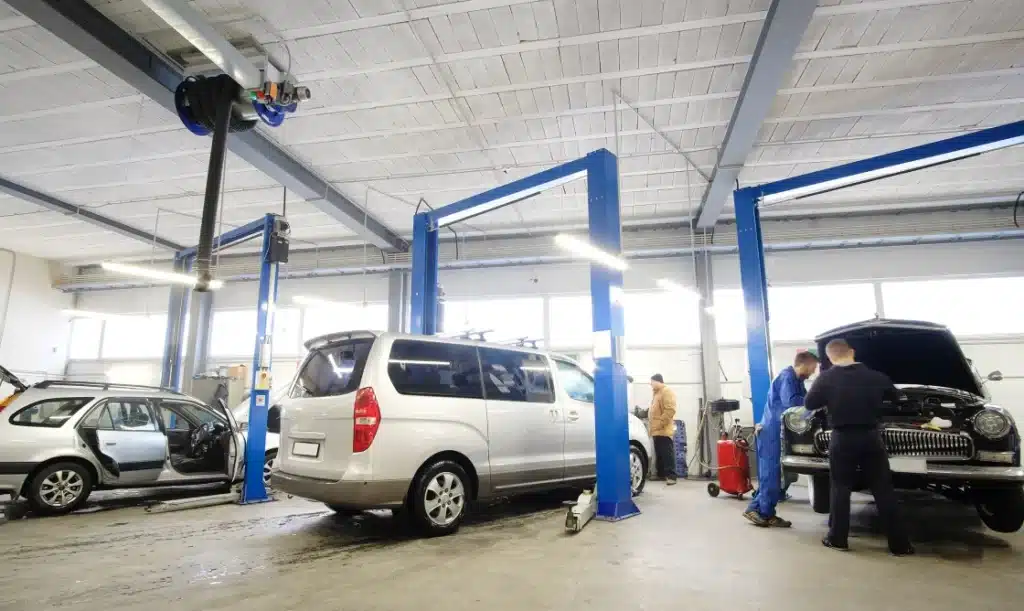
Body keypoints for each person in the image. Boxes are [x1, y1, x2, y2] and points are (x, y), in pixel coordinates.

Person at [804, 338, 914, 556]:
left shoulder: (826, 379)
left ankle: (838, 539)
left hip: (842, 438)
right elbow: (899, 400)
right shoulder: (876, 376)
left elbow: (809, 404)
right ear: (852, 352)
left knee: (841, 488)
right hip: (871, 437)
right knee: (883, 489)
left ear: (829, 357)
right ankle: (900, 545)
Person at [743, 349, 819, 528]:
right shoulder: (788, 377)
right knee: (771, 474)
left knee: (775, 476)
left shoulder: (796, 380)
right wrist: (816, 403)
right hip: (771, 432)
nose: (813, 372)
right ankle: (760, 511)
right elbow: (791, 403)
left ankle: (763, 511)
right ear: (805, 364)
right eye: (813, 367)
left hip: (778, 432)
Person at [648, 374, 678, 485]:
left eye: (652, 382)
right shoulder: (656, 394)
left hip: (663, 429)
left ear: (657, 381)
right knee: (659, 453)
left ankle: (671, 476)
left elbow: (670, 410)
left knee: (667, 453)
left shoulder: (666, 391)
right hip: (656, 430)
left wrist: (660, 424)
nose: (650, 384)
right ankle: (661, 474)